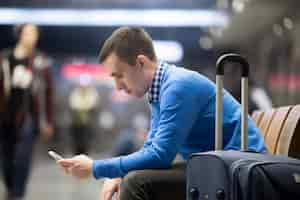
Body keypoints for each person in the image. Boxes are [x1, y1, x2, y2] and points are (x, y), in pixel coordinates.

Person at [57, 27, 266, 200]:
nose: (118, 86)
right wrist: (119, 171)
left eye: (119, 75)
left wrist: (95, 168)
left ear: (140, 62)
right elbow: (152, 148)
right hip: (218, 165)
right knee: (133, 176)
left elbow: (159, 156)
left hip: (240, 172)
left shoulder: (177, 87)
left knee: (136, 183)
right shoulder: (160, 89)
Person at [0, 23, 54, 200]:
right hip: (6, 115)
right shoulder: (5, 59)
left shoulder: (40, 61)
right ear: (20, 35)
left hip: (30, 115)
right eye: (29, 33)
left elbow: (48, 93)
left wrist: (48, 121)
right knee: (6, 156)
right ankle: (9, 187)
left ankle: (17, 193)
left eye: (35, 33)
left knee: (23, 155)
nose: (33, 37)